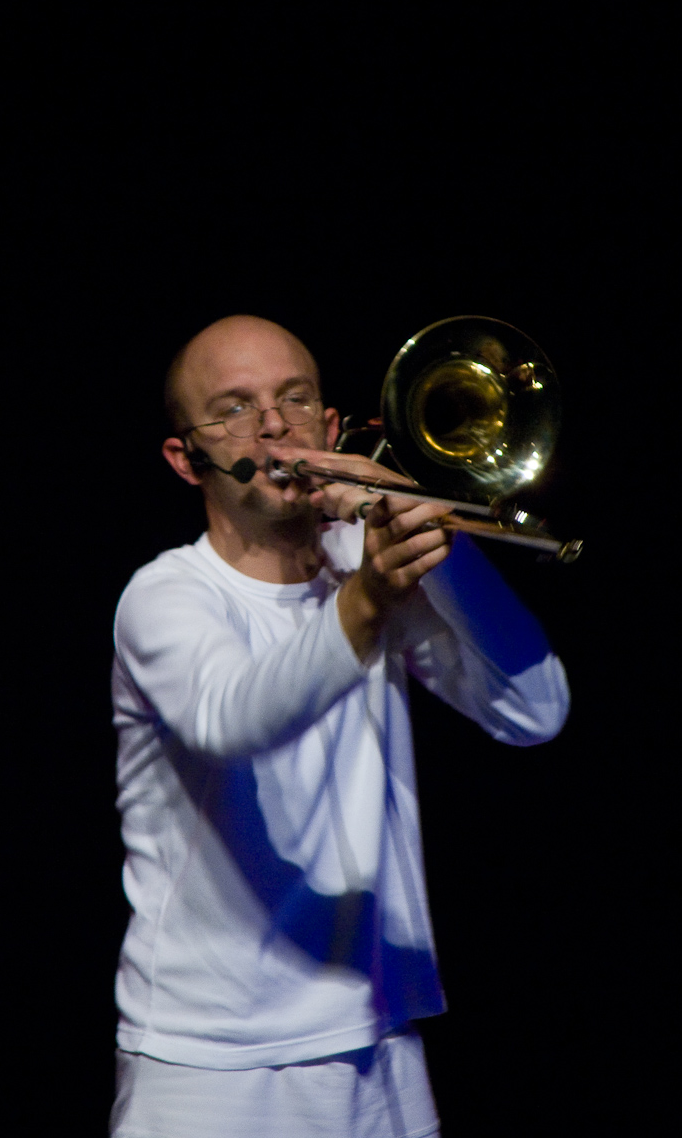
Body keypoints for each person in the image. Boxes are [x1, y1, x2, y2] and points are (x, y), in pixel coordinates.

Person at [109, 315, 569, 1138]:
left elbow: (536, 710)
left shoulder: (362, 571)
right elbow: (235, 718)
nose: (272, 426)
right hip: (216, 1065)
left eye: (293, 399)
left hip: (381, 1041)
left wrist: (435, 535)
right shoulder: (167, 595)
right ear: (185, 458)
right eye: (234, 408)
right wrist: (368, 599)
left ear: (329, 427)